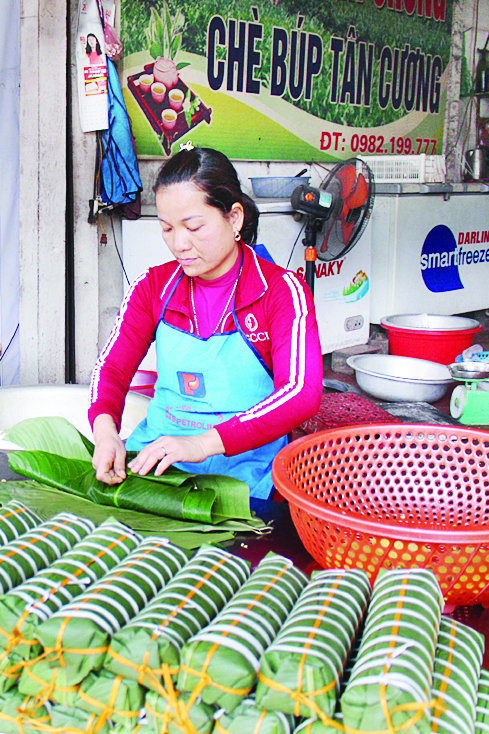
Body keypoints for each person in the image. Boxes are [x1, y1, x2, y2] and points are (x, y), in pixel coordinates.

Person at [88, 146, 322, 501]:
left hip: (247, 466)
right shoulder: (152, 288)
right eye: (167, 228)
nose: (179, 243)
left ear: (234, 218)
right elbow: (112, 369)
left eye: (194, 226)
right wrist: (106, 433)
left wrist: (202, 444)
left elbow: (301, 393)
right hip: (157, 463)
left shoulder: (281, 292)